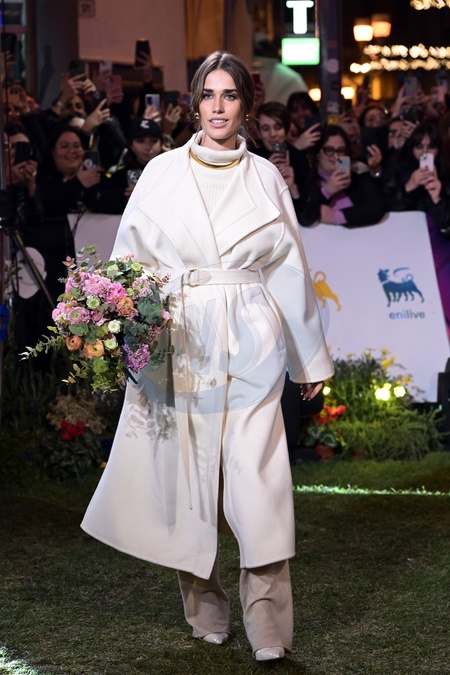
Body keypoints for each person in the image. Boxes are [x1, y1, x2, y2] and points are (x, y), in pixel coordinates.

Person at [81, 51, 333, 662]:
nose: (219, 107)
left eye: (231, 95)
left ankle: (268, 626)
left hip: (252, 338)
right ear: (195, 103)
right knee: (188, 480)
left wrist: (309, 360)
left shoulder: (265, 177)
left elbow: (290, 269)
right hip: (180, 337)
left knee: (259, 480)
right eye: (209, 95)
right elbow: (128, 262)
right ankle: (205, 609)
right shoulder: (162, 172)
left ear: (246, 105)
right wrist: (121, 332)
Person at [249, 100, 318, 225]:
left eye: (278, 127)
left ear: (286, 130)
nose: (273, 134)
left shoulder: (298, 158)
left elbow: (308, 217)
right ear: (259, 132)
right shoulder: (250, 158)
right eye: (265, 128)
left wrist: (292, 188)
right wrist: (263, 173)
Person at [307, 124, 386, 227]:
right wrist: (327, 191)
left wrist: (335, 217)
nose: (335, 155)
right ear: (317, 153)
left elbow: (377, 206)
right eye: (329, 150)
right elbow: (306, 213)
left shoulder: (356, 177)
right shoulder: (308, 181)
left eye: (340, 150)